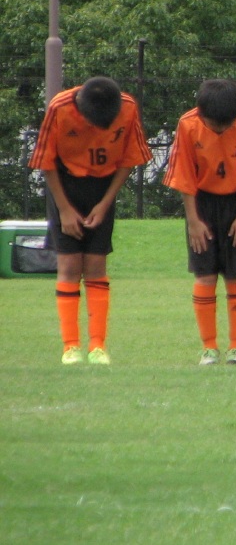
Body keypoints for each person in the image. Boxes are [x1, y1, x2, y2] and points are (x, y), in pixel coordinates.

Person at [28, 77, 152, 365]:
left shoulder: (128, 107)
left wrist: (105, 203)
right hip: (65, 188)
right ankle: (70, 347)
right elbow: (45, 161)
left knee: (96, 265)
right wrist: (64, 210)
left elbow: (130, 159)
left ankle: (98, 346)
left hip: (103, 189)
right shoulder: (59, 107)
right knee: (69, 265)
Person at [164, 79, 236, 365]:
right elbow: (184, 174)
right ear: (201, 113)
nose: (220, 130)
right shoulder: (187, 124)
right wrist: (193, 221)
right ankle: (209, 347)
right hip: (202, 204)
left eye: (226, 126)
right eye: (213, 125)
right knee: (205, 275)